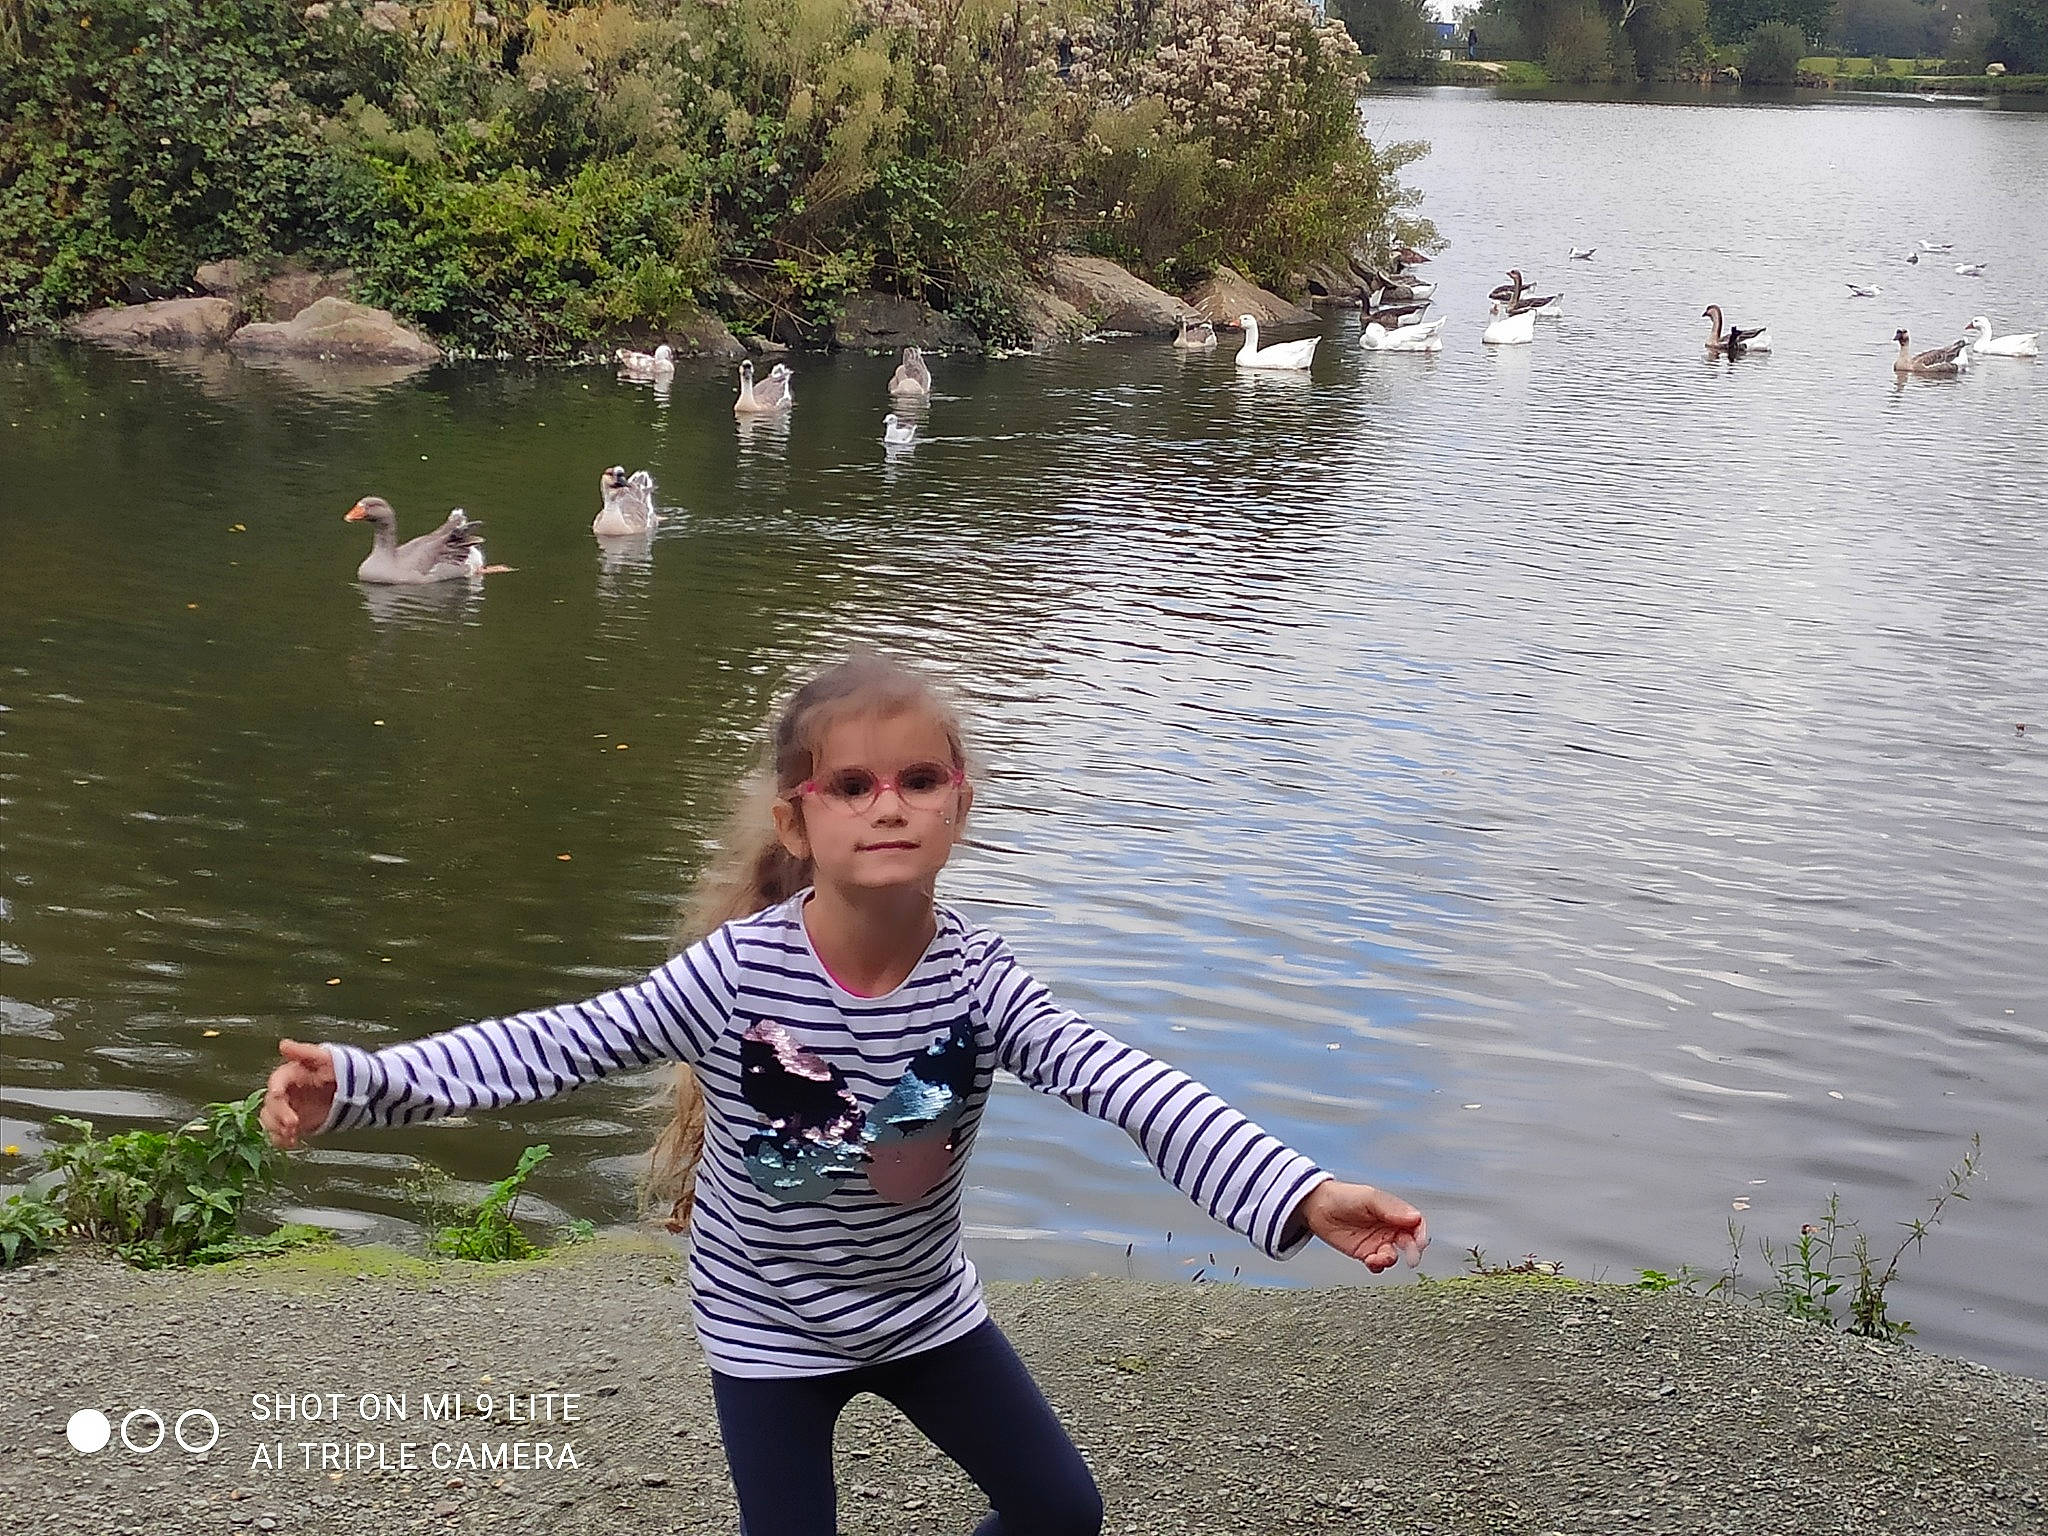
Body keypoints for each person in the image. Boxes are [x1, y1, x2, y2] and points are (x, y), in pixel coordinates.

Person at [259, 650, 1428, 1536]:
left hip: (923, 1314)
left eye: (919, 780)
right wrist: (360, 1084)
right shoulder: (737, 973)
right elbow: (559, 1046)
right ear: (797, 820)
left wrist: (1303, 1192)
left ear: (960, 804)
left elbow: (1133, 1090)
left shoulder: (982, 983)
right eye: (852, 784)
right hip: (765, 1325)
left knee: (1062, 1515)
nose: (887, 804)